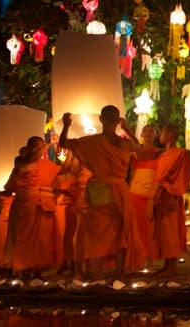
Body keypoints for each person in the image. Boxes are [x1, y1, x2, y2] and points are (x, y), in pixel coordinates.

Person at [59, 106, 145, 280]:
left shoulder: (91, 142)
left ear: (101, 119)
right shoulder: (124, 143)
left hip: (99, 192)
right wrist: (128, 129)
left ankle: (95, 273)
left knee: (96, 234)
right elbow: (140, 151)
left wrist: (67, 125)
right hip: (120, 192)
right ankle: (120, 273)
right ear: (118, 121)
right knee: (121, 233)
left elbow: (64, 143)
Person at [2, 136, 60, 279]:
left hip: (40, 205)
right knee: (24, 239)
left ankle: (38, 271)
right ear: (29, 148)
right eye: (37, 147)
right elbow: (11, 187)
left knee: (41, 240)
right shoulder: (20, 161)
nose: (40, 150)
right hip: (24, 207)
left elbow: (62, 175)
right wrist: (50, 143)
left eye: (40, 147)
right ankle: (23, 269)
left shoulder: (46, 165)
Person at [150, 124, 190, 277]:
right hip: (161, 196)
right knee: (163, 232)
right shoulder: (163, 155)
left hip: (171, 196)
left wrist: (174, 192)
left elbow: (183, 176)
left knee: (171, 232)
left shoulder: (181, 154)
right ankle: (166, 264)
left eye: (161, 132)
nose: (159, 136)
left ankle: (172, 267)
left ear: (169, 135)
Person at [129, 124, 162, 270]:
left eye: (151, 131)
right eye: (146, 131)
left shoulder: (159, 152)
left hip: (150, 195)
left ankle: (150, 260)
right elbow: (132, 173)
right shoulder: (135, 153)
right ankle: (136, 260)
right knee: (135, 229)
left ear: (156, 135)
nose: (148, 133)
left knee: (150, 229)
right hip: (135, 194)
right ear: (141, 134)